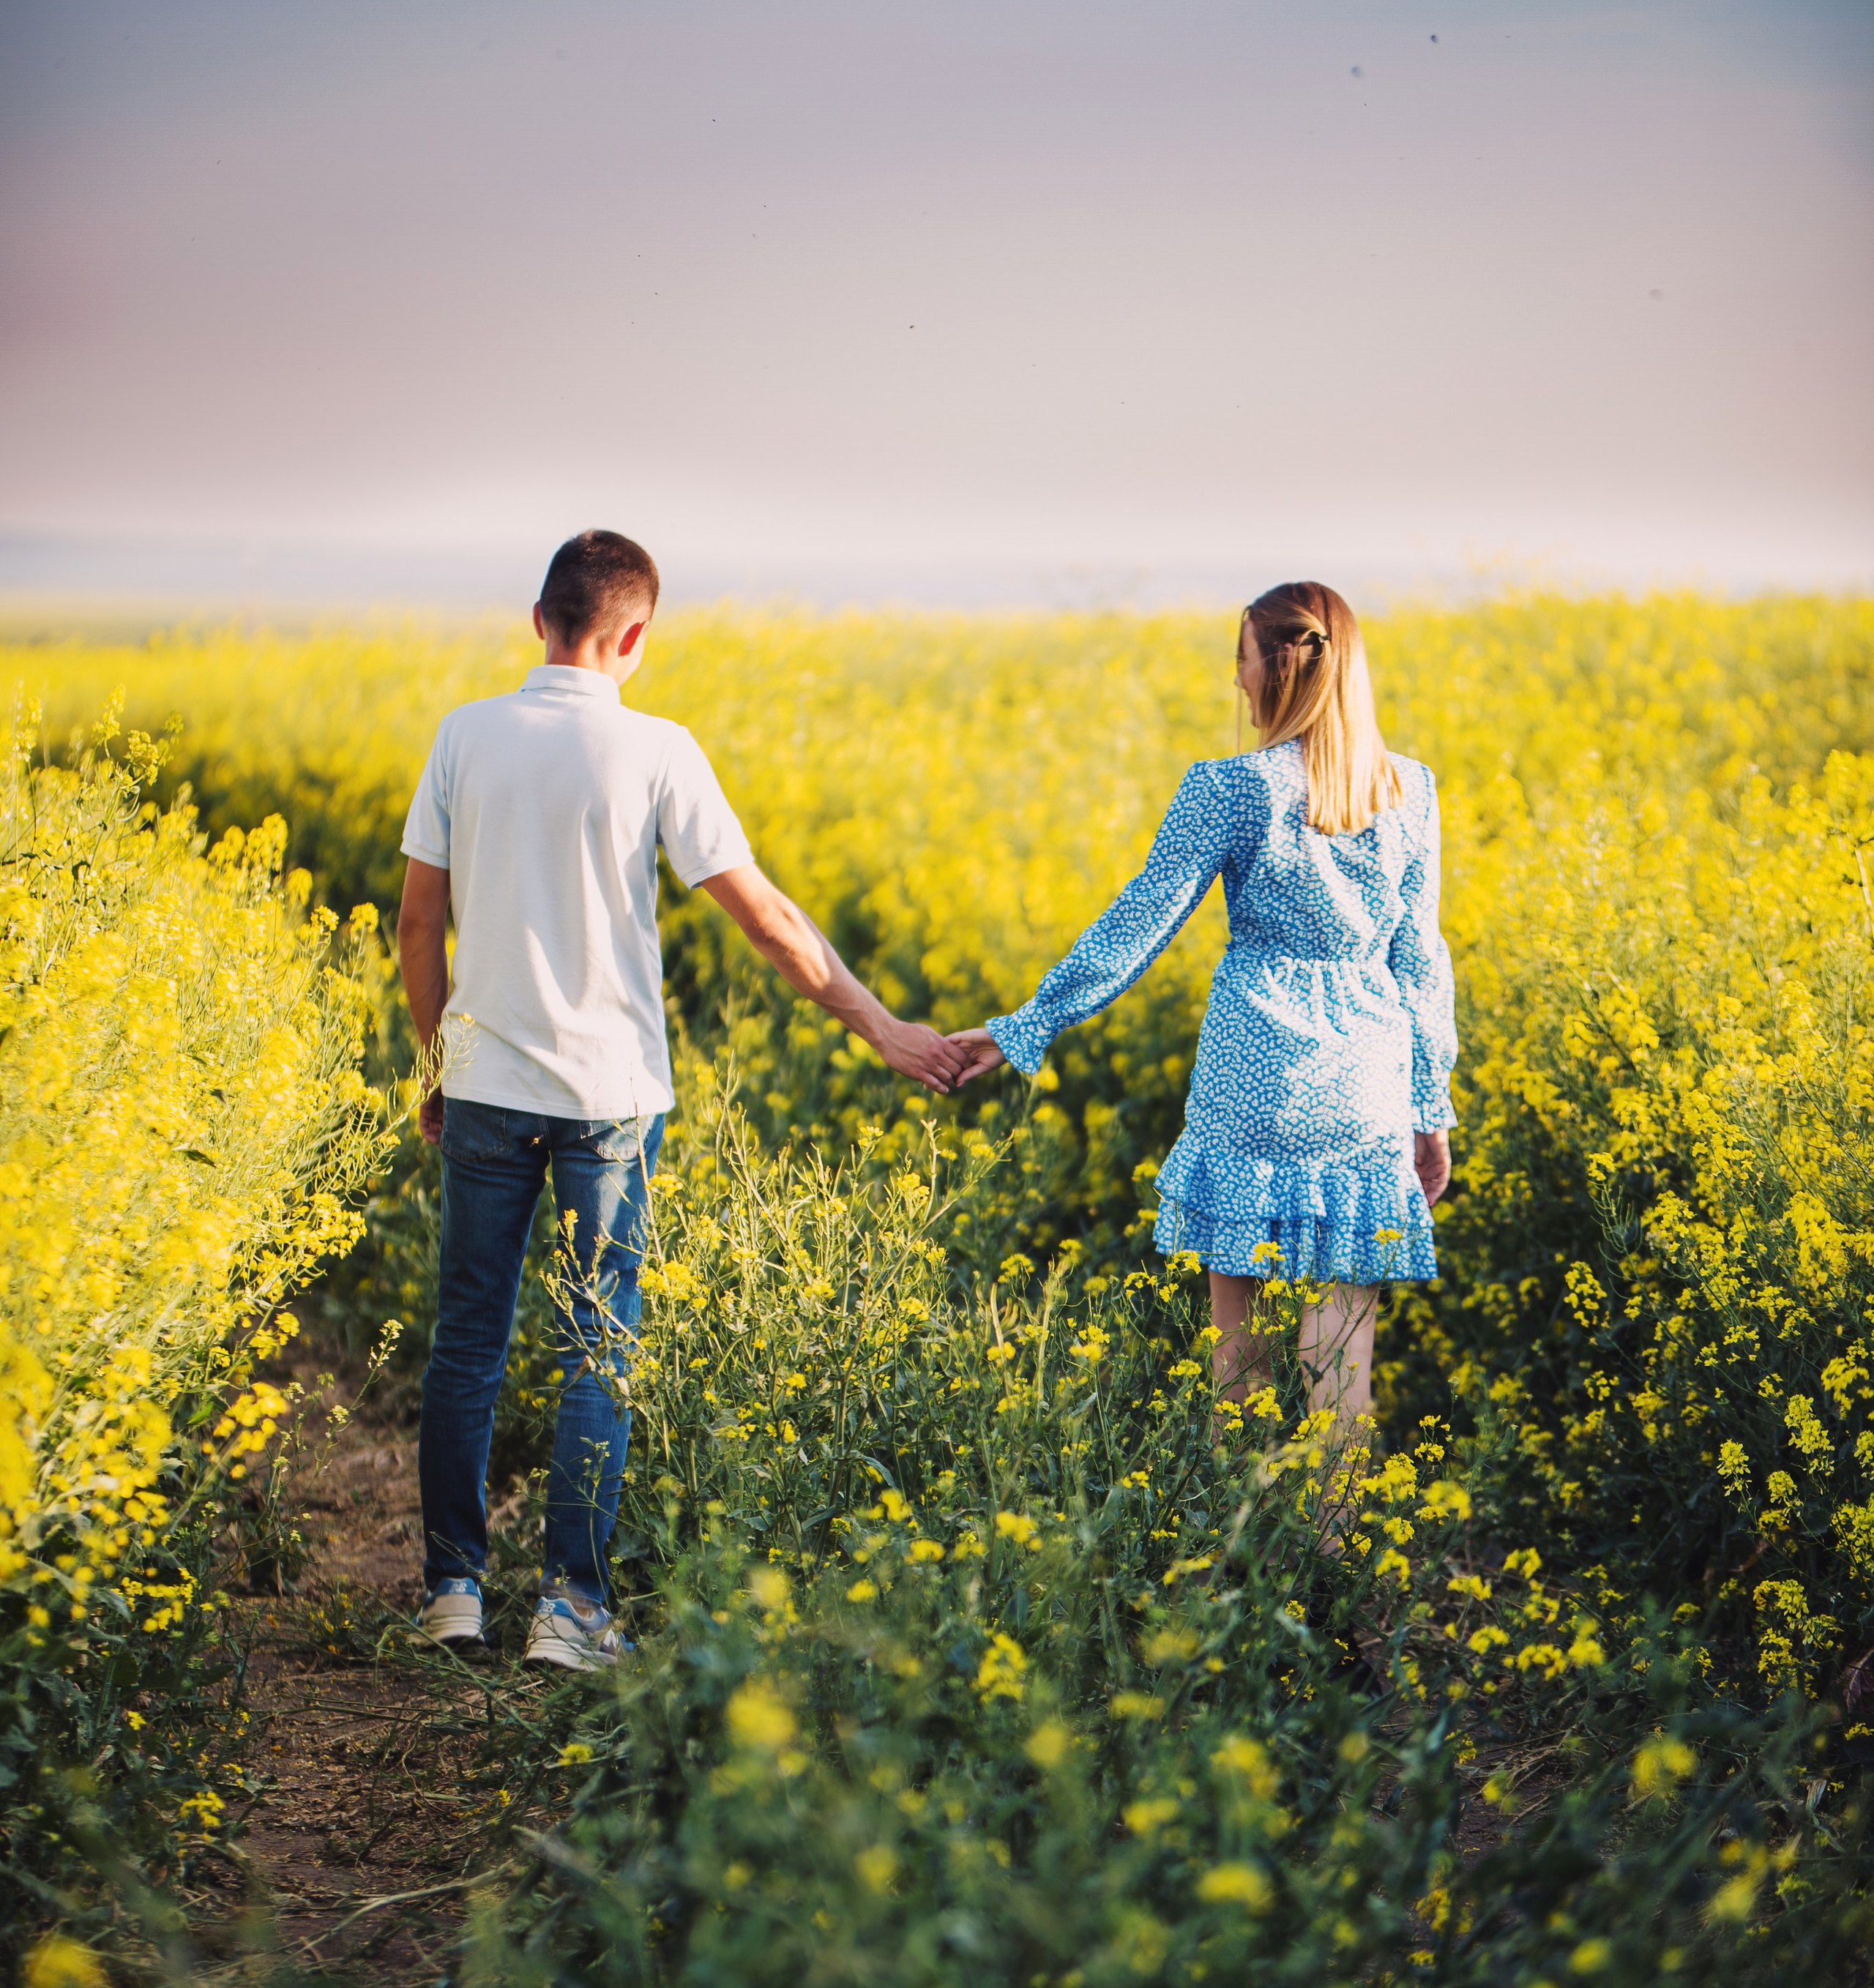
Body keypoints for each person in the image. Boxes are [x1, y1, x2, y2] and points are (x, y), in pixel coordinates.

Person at [397, 528, 965, 1670]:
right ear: (636, 636)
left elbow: (419, 923)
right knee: (596, 1346)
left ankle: (454, 1592)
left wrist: (434, 1064)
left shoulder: (465, 736)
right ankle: (571, 1611)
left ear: (540, 618)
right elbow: (766, 920)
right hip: (607, 1099)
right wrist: (883, 1029)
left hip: (488, 1089)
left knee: (469, 1343)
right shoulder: (658, 750)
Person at [953, 580, 1455, 1449]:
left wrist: (1025, 1025)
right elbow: (1421, 961)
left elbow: (1137, 925)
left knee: (1242, 1361)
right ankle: (1338, 1569)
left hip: (1251, 1078)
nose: (1235, 683)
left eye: (1241, 659)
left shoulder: (1228, 787)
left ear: (1271, 669)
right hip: (1364, 1088)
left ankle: (1249, 1563)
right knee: (1341, 1366)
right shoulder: (1409, 789)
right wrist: (1430, 1110)